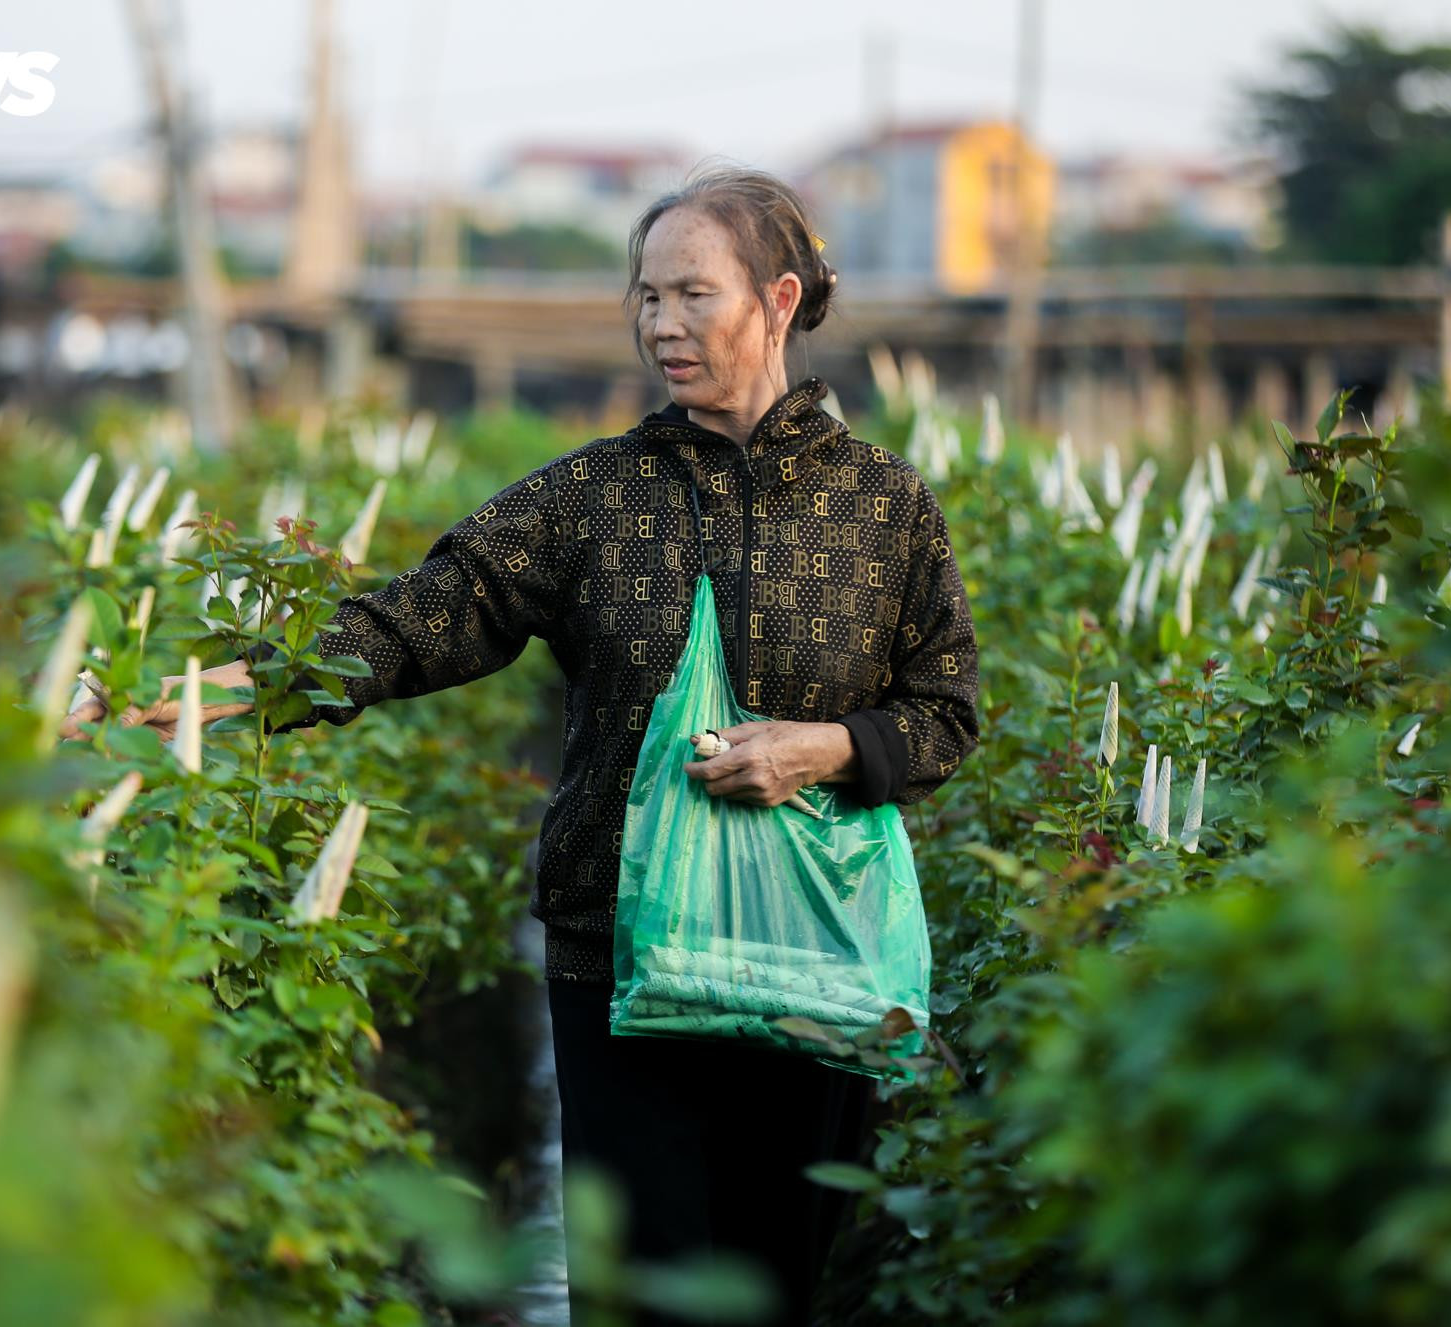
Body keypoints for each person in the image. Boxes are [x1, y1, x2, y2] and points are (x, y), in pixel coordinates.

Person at [62, 165, 981, 1326]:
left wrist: (822, 748)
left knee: (771, 1290)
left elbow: (945, 709)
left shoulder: (883, 506)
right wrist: (201, 693)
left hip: (812, 955)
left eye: (692, 294)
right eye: (645, 297)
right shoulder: (592, 498)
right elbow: (408, 623)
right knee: (640, 1291)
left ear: (779, 300)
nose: (661, 324)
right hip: (619, 959)